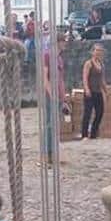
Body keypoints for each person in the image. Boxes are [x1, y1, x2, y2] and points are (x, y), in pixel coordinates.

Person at [42, 36, 69, 164]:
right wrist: (51, 94)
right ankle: (47, 155)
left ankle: (53, 153)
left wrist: (63, 98)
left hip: (58, 95)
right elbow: (44, 77)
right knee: (49, 125)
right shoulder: (47, 56)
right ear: (58, 42)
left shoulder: (59, 59)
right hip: (50, 96)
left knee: (54, 125)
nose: (65, 43)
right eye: (63, 41)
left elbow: (61, 79)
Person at [80, 43, 107, 140]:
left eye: (100, 51)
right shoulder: (89, 63)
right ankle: (84, 135)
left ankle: (93, 134)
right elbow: (85, 77)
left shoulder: (101, 64)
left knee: (100, 113)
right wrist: (86, 89)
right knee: (87, 113)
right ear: (93, 52)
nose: (98, 52)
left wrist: (106, 90)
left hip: (98, 92)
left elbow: (102, 79)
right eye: (97, 50)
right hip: (90, 91)